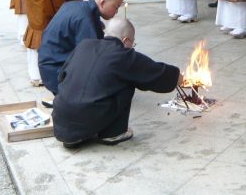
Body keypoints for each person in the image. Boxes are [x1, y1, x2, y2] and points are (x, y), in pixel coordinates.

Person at [52, 18, 182, 149]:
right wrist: (177, 77)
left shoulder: (83, 45)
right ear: (126, 40)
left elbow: (62, 76)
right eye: (133, 43)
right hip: (90, 118)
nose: (132, 47)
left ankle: (75, 137)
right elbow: (154, 72)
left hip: (61, 120)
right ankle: (113, 133)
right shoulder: (123, 56)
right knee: (128, 81)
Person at [38, 0, 124, 95]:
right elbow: (91, 58)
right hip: (56, 72)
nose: (116, 12)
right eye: (115, 7)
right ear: (102, 3)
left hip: (48, 65)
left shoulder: (76, 6)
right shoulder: (86, 20)